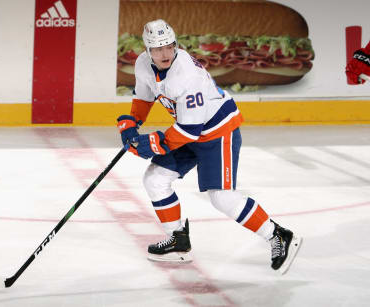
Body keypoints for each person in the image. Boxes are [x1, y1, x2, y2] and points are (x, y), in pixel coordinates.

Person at [116, 19, 302, 274]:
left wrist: (152, 144)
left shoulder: (186, 74)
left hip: (217, 131)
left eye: (169, 46)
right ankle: (178, 242)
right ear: (148, 50)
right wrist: (133, 122)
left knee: (221, 197)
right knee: (155, 179)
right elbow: (144, 97)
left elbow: (188, 131)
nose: (165, 54)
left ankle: (278, 235)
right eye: (158, 49)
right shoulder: (141, 64)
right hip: (189, 130)